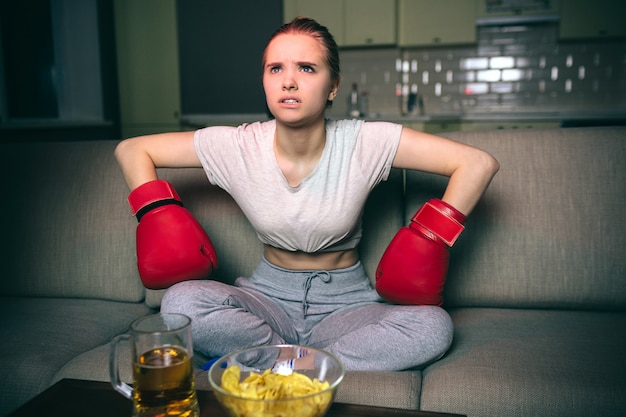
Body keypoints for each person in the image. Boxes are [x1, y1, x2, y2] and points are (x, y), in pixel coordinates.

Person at [115, 17, 499, 371]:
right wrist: (158, 213)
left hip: (348, 308)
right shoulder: (236, 145)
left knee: (433, 326)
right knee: (180, 302)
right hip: (265, 301)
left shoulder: (366, 140)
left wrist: (431, 235)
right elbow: (132, 150)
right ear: (264, 80)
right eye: (276, 68)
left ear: (333, 86)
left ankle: (280, 366)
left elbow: (477, 163)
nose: (288, 81)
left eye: (307, 68)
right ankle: (311, 367)